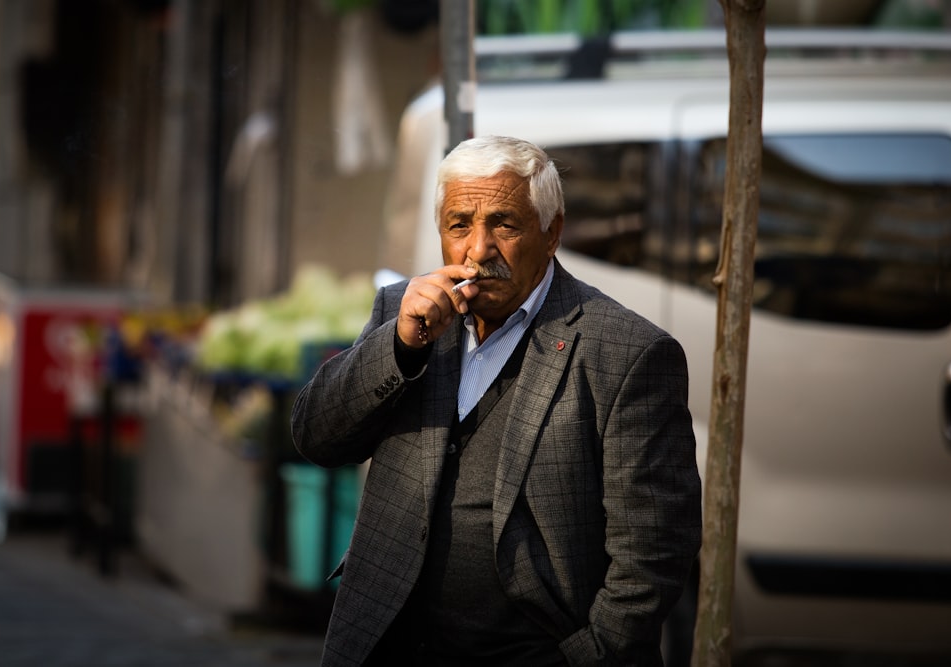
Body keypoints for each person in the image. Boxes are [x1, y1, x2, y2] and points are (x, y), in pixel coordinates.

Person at [291, 135, 702, 666]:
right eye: (459, 224)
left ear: (551, 233)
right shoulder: (405, 312)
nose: (477, 250)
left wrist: (585, 657)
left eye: (504, 225)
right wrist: (399, 346)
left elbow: (653, 553)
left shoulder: (625, 351)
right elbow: (316, 437)